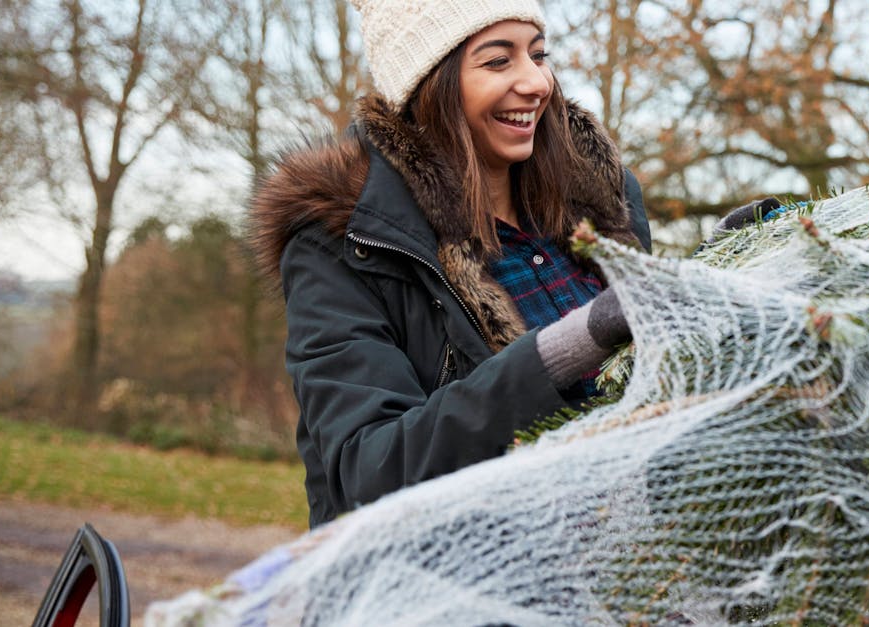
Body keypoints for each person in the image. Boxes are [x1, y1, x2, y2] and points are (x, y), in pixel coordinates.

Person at [251, 0, 661, 529]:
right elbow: (371, 470)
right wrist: (567, 347)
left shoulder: (604, 203)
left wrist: (722, 273)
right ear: (431, 84)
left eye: (539, 55)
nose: (536, 82)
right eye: (497, 61)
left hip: (635, 575)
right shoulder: (345, 243)